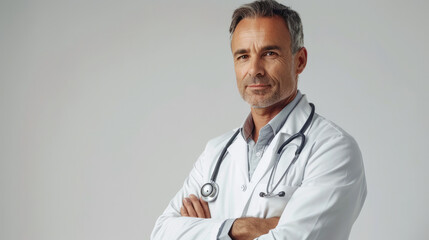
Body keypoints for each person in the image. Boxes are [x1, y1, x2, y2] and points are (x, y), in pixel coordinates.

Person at [150, 0, 367, 239]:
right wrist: (242, 228)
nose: (254, 70)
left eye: (269, 53)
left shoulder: (333, 149)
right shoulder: (215, 152)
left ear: (300, 60)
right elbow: (161, 233)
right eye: (243, 56)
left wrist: (205, 230)